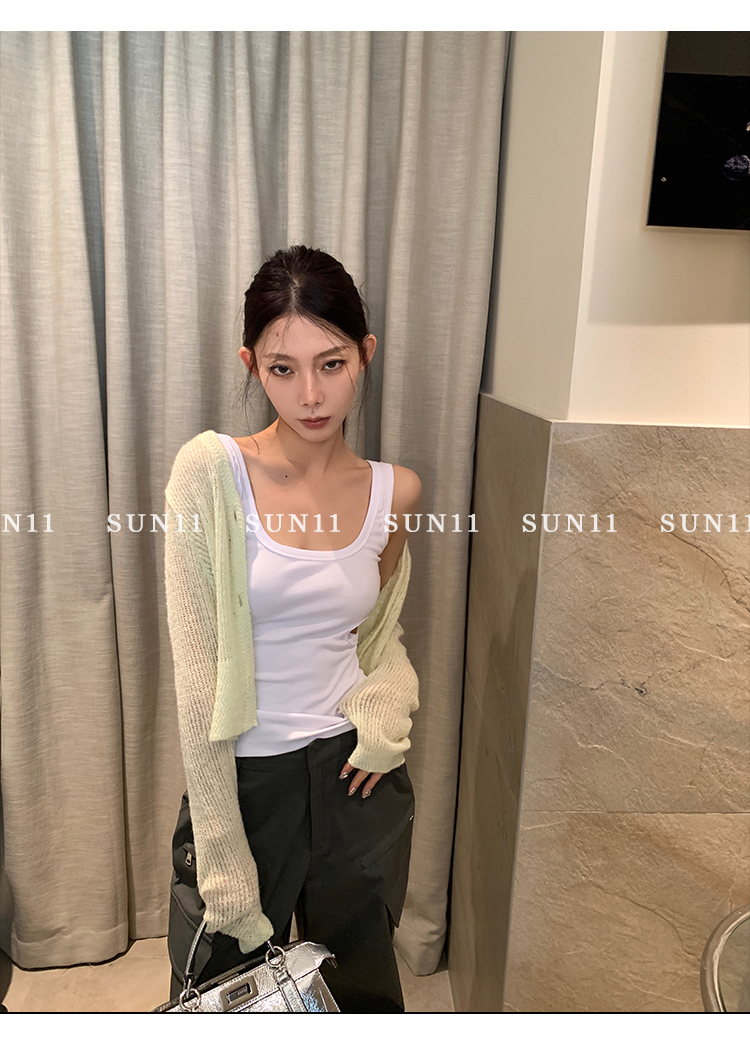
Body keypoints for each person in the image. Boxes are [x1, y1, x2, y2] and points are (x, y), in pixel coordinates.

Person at [163, 245, 421, 1013]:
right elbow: (197, 673)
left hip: (354, 774)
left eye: (331, 364)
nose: (310, 394)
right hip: (248, 781)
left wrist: (386, 709)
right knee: (229, 996)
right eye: (283, 368)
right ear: (252, 365)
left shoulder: (395, 492)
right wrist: (221, 847)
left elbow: (378, 640)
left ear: (364, 355)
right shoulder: (210, 473)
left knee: (360, 991)